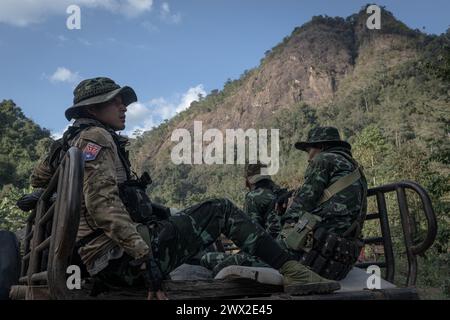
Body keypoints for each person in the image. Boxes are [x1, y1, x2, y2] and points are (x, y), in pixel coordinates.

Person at [31, 77, 339, 300]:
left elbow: (38, 178)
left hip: (100, 257)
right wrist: (143, 257)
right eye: (115, 101)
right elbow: (102, 206)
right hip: (118, 261)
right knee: (220, 209)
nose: (123, 106)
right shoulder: (98, 138)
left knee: (181, 224)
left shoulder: (68, 144)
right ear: (94, 107)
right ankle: (294, 270)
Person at [279, 126, 368, 280]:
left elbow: (303, 202)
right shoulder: (354, 167)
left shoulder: (323, 159)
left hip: (320, 243)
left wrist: (284, 227)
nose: (308, 158)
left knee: (259, 254)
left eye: (309, 151)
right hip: (341, 251)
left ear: (321, 146)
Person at [200, 162, 285, 274]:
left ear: (249, 181)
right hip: (284, 254)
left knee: (207, 259)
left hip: (266, 258)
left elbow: (251, 236)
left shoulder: (253, 197)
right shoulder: (281, 195)